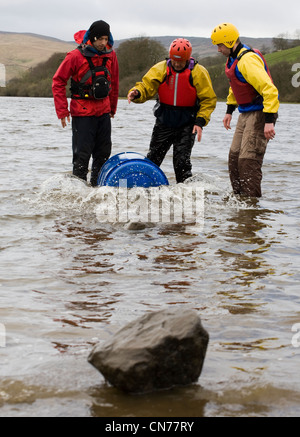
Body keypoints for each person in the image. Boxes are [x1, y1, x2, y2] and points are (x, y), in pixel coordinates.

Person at [127, 38, 217, 183]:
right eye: (174, 60)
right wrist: (136, 92)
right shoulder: (160, 69)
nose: (176, 64)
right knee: (153, 158)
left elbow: (208, 100)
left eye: (180, 61)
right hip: (164, 121)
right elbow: (146, 86)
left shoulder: (199, 72)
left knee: (182, 163)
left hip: (188, 124)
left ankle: (185, 194)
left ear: (188, 58)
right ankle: (145, 187)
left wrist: (200, 121)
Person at [211, 23, 279, 198]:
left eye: (220, 45)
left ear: (230, 42)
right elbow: (236, 86)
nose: (218, 50)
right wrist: (229, 110)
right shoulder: (233, 59)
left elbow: (269, 90)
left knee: (248, 162)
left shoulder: (247, 60)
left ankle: (251, 209)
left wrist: (269, 121)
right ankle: (239, 205)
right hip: (245, 113)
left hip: (261, 113)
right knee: (234, 160)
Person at [52, 20, 119, 186]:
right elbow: (58, 81)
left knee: (103, 154)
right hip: (82, 113)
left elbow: (115, 82)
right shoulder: (74, 56)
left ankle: (97, 189)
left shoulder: (111, 54)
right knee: (82, 156)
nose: (104, 43)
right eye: (100, 39)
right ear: (92, 38)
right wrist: (62, 111)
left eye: (106, 39)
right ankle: (79, 194)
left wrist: (112, 108)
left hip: (103, 112)